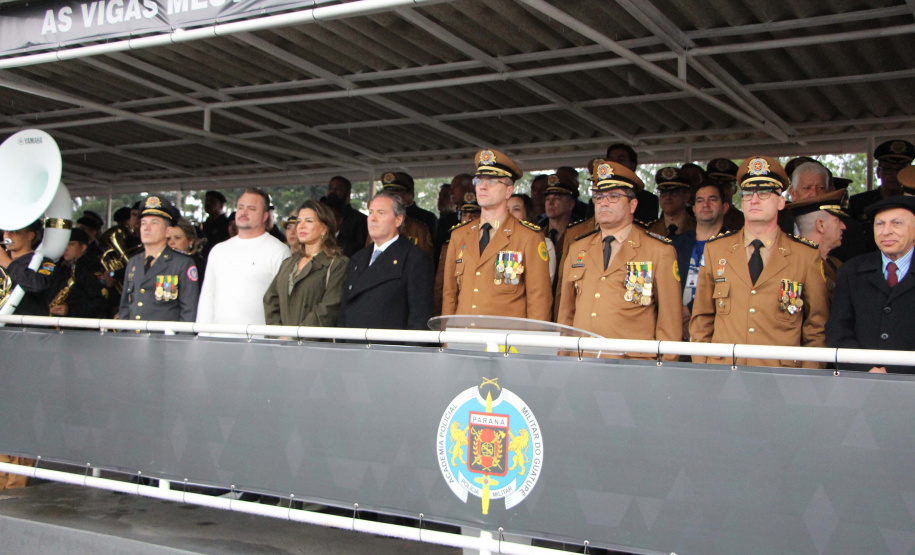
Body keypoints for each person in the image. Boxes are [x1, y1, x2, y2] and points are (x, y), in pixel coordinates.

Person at [689, 156, 830, 368]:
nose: (754, 200)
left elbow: (816, 328)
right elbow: (701, 319)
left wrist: (807, 378)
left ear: (781, 201)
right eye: (747, 194)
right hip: (724, 372)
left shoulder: (805, 255)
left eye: (764, 193)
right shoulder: (716, 249)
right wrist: (704, 367)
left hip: (781, 377)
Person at [556, 160, 680, 360]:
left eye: (613, 196)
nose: (604, 202)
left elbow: (670, 323)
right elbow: (566, 313)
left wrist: (664, 369)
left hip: (631, 365)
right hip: (581, 361)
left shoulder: (659, 251)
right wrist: (563, 357)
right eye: (598, 197)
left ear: (633, 204)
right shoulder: (578, 248)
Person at [441, 149, 552, 321]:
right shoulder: (459, 234)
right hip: (463, 339)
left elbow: (539, 301)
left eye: (492, 181)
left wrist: (531, 346)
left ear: (509, 191)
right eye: (479, 180)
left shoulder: (528, 237)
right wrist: (447, 340)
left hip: (504, 343)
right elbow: (449, 295)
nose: (483, 186)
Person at [827, 195, 915, 373]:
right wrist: (867, 368)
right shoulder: (851, 271)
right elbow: (838, 329)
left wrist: (894, 371)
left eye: (896, 223)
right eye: (879, 224)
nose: (886, 231)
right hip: (860, 381)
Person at [338, 192, 433, 330]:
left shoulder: (415, 258)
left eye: (381, 213)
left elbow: (419, 317)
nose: (373, 219)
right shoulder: (358, 258)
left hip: (388, 348)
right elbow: (344, 311)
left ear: (398, 220)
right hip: (354, 347)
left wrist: (411, 351)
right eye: (370, 212)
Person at [197, 188, 290, 327]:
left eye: (251, 208)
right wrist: (202, 334)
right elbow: (207, 297)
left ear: (265, 216)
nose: (243, 212)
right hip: (218, 340)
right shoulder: (218, 250)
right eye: (240, 207)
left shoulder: (279, 251)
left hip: (261, 341)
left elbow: (285, 302)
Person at [264, 200, 347, 327]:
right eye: (299, 221)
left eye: (308, 221)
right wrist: (278, 334)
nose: (301, 226)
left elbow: (328, 309)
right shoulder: (288, 263)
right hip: (282, 343)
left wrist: (297, 336)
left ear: (324, 229)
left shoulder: (337, 264)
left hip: (313, 343)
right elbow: (271, 300)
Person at [118, 196, 200, 323]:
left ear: (168, 231)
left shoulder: (182, 264)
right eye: (143, 223)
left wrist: (182, 341)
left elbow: (189, 311)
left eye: (154, 223)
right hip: (133, 339)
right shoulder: (133, 262)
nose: (146, 227)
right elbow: (125, 307)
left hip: (165, 341)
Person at [673, 181, 731, 340]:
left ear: (725, 207)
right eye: (699, 200)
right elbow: (664, 283)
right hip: (676, 331)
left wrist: (691, 310)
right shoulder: (675, 244)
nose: (705, 204)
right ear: (693, 209)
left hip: (716, 331)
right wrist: (679, 314)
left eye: (712, 199)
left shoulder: (735, 245)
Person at [788, 189, 849, 299]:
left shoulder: (835, 263)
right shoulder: (795, 266)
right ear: (820, 225)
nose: (843, 226)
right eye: (838, 220)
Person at [47, 228, 110, 319]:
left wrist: (70, 310)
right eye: (64, 244)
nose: (66, 248)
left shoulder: (92, 271)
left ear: (83, 247)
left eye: (71, 244)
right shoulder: (59, 267)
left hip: (78, 328)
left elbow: (100, 303)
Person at [0, 221, 58, 316]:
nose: (8, 235)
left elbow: (38, 286)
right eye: (6, 231)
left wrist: (7, 263)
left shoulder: (45, 262)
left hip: (26, 327)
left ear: (30, 236)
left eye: (14, 231)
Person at [849, 140, 915, 220]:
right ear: (878, 172)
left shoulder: (912, 202)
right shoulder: (859, 202)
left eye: (900, 170)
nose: (894, 175)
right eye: (888, 169)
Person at [377, 172, 434, 255]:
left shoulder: (419, 230)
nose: (389, 199)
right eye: (386, 195)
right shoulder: (375, 228)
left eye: (394, 195)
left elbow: (426, 264)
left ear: (406, 197)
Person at [606, 143, 659, 224]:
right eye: (611, 160)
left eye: (620, 160)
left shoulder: (648, 200)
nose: (615, 164)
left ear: (632, 165)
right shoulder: (598, 199)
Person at [324, 176, 368, 258]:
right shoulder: (322, 218)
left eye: (338, 189)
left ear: (348, 193)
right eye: (330, 188)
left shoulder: (361, 220)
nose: (333, 192)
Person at [648, 167, 696, 238]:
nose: (668, 197)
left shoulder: (698, 228)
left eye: (674, 192)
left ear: (686, 196)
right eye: (663, 192)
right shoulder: (648, 230)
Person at [541, 174, 578, 267]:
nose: (550, 203)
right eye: (547, 199)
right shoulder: (538, 234)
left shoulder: (579, 234)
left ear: (570, 204)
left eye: (557, 198)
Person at [706, 158, 744, 232]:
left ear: (735, 190)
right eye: (716, 185)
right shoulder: (701, 216)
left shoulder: (742, 220)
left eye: (726, 186)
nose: (720, 190)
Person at [167, 218, 207, 284]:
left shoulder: (199, 266)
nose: (171, 242)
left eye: (177, 238)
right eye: (168, 239)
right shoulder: (163, 264)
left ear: (190, 241)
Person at [202, 190, 230, 258]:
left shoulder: (225, 225)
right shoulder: (206, 223)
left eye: (212, 201)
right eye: (206, 201)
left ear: (221, 206)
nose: (208, 203)